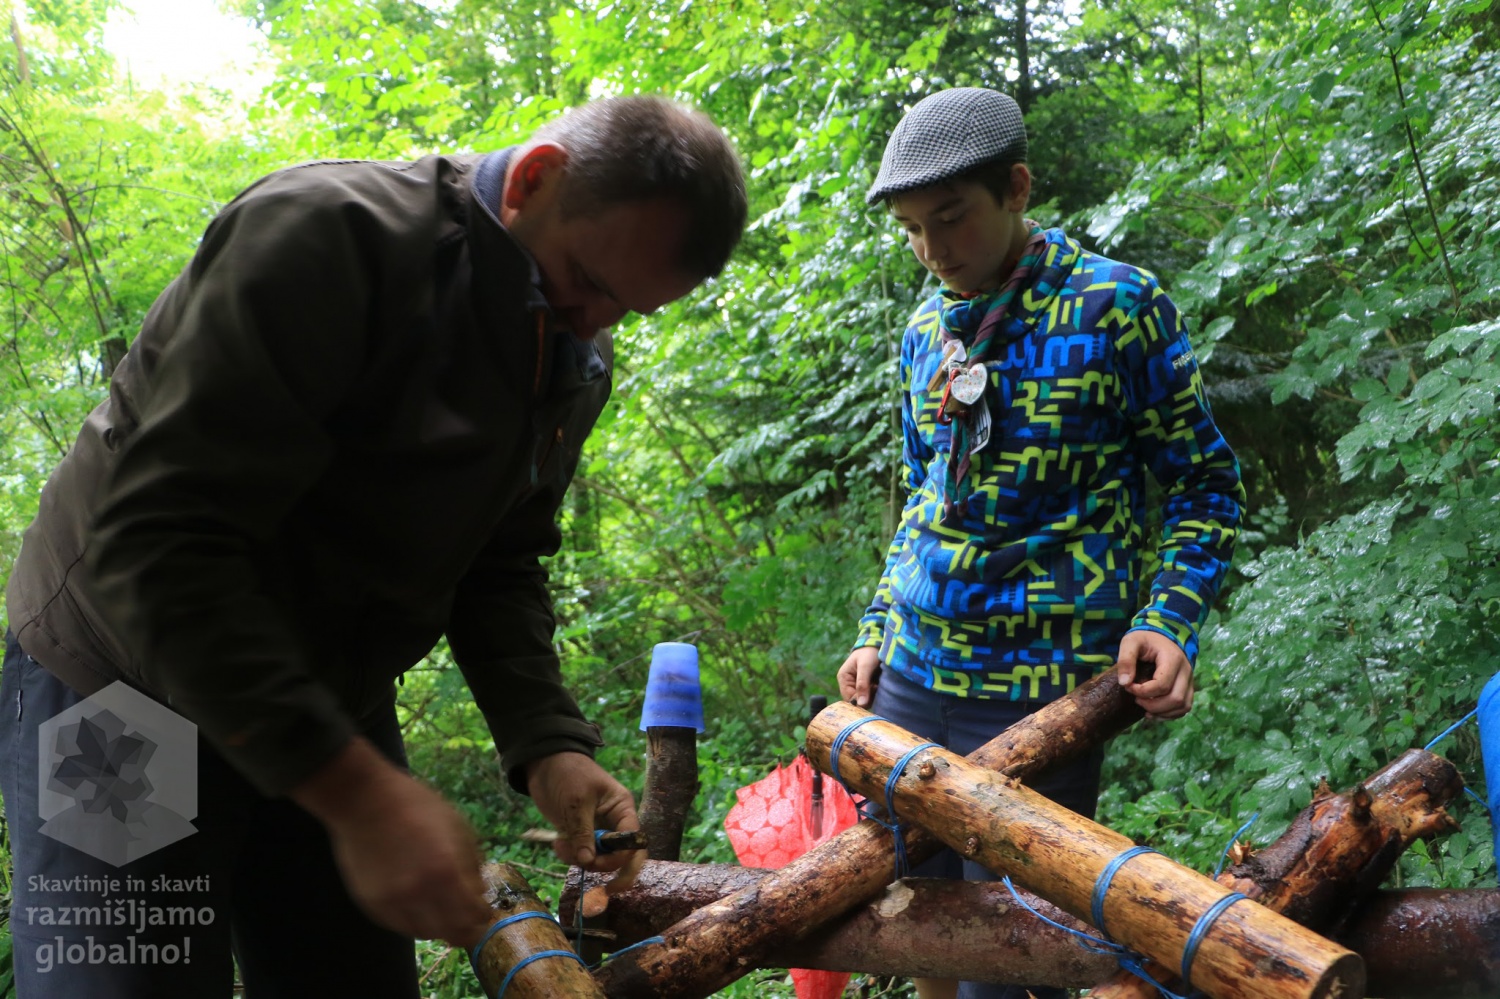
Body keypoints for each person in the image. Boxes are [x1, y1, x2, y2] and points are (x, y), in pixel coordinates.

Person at [1, 95, 746, 996]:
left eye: (624, 309)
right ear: (535, 178)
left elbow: (499, 559)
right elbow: (156, 545)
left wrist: (549, 743)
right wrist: (361, 796)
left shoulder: (568, 348)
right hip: (123, 694)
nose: (593, 323)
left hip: (321, 700)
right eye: (584, 280)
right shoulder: (322, 240)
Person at [836, 87, 1244, 999]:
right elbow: (922, 500)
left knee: (1016, 957)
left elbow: (1206, 483)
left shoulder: (1118, 308)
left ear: (1016, 188)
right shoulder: (923, 333)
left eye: (951, 218)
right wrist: (875, 626)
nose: (934, 252)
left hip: (1039, 694)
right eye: (910, 229)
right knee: (913, 925)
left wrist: (1171, 615)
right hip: (911, 679)